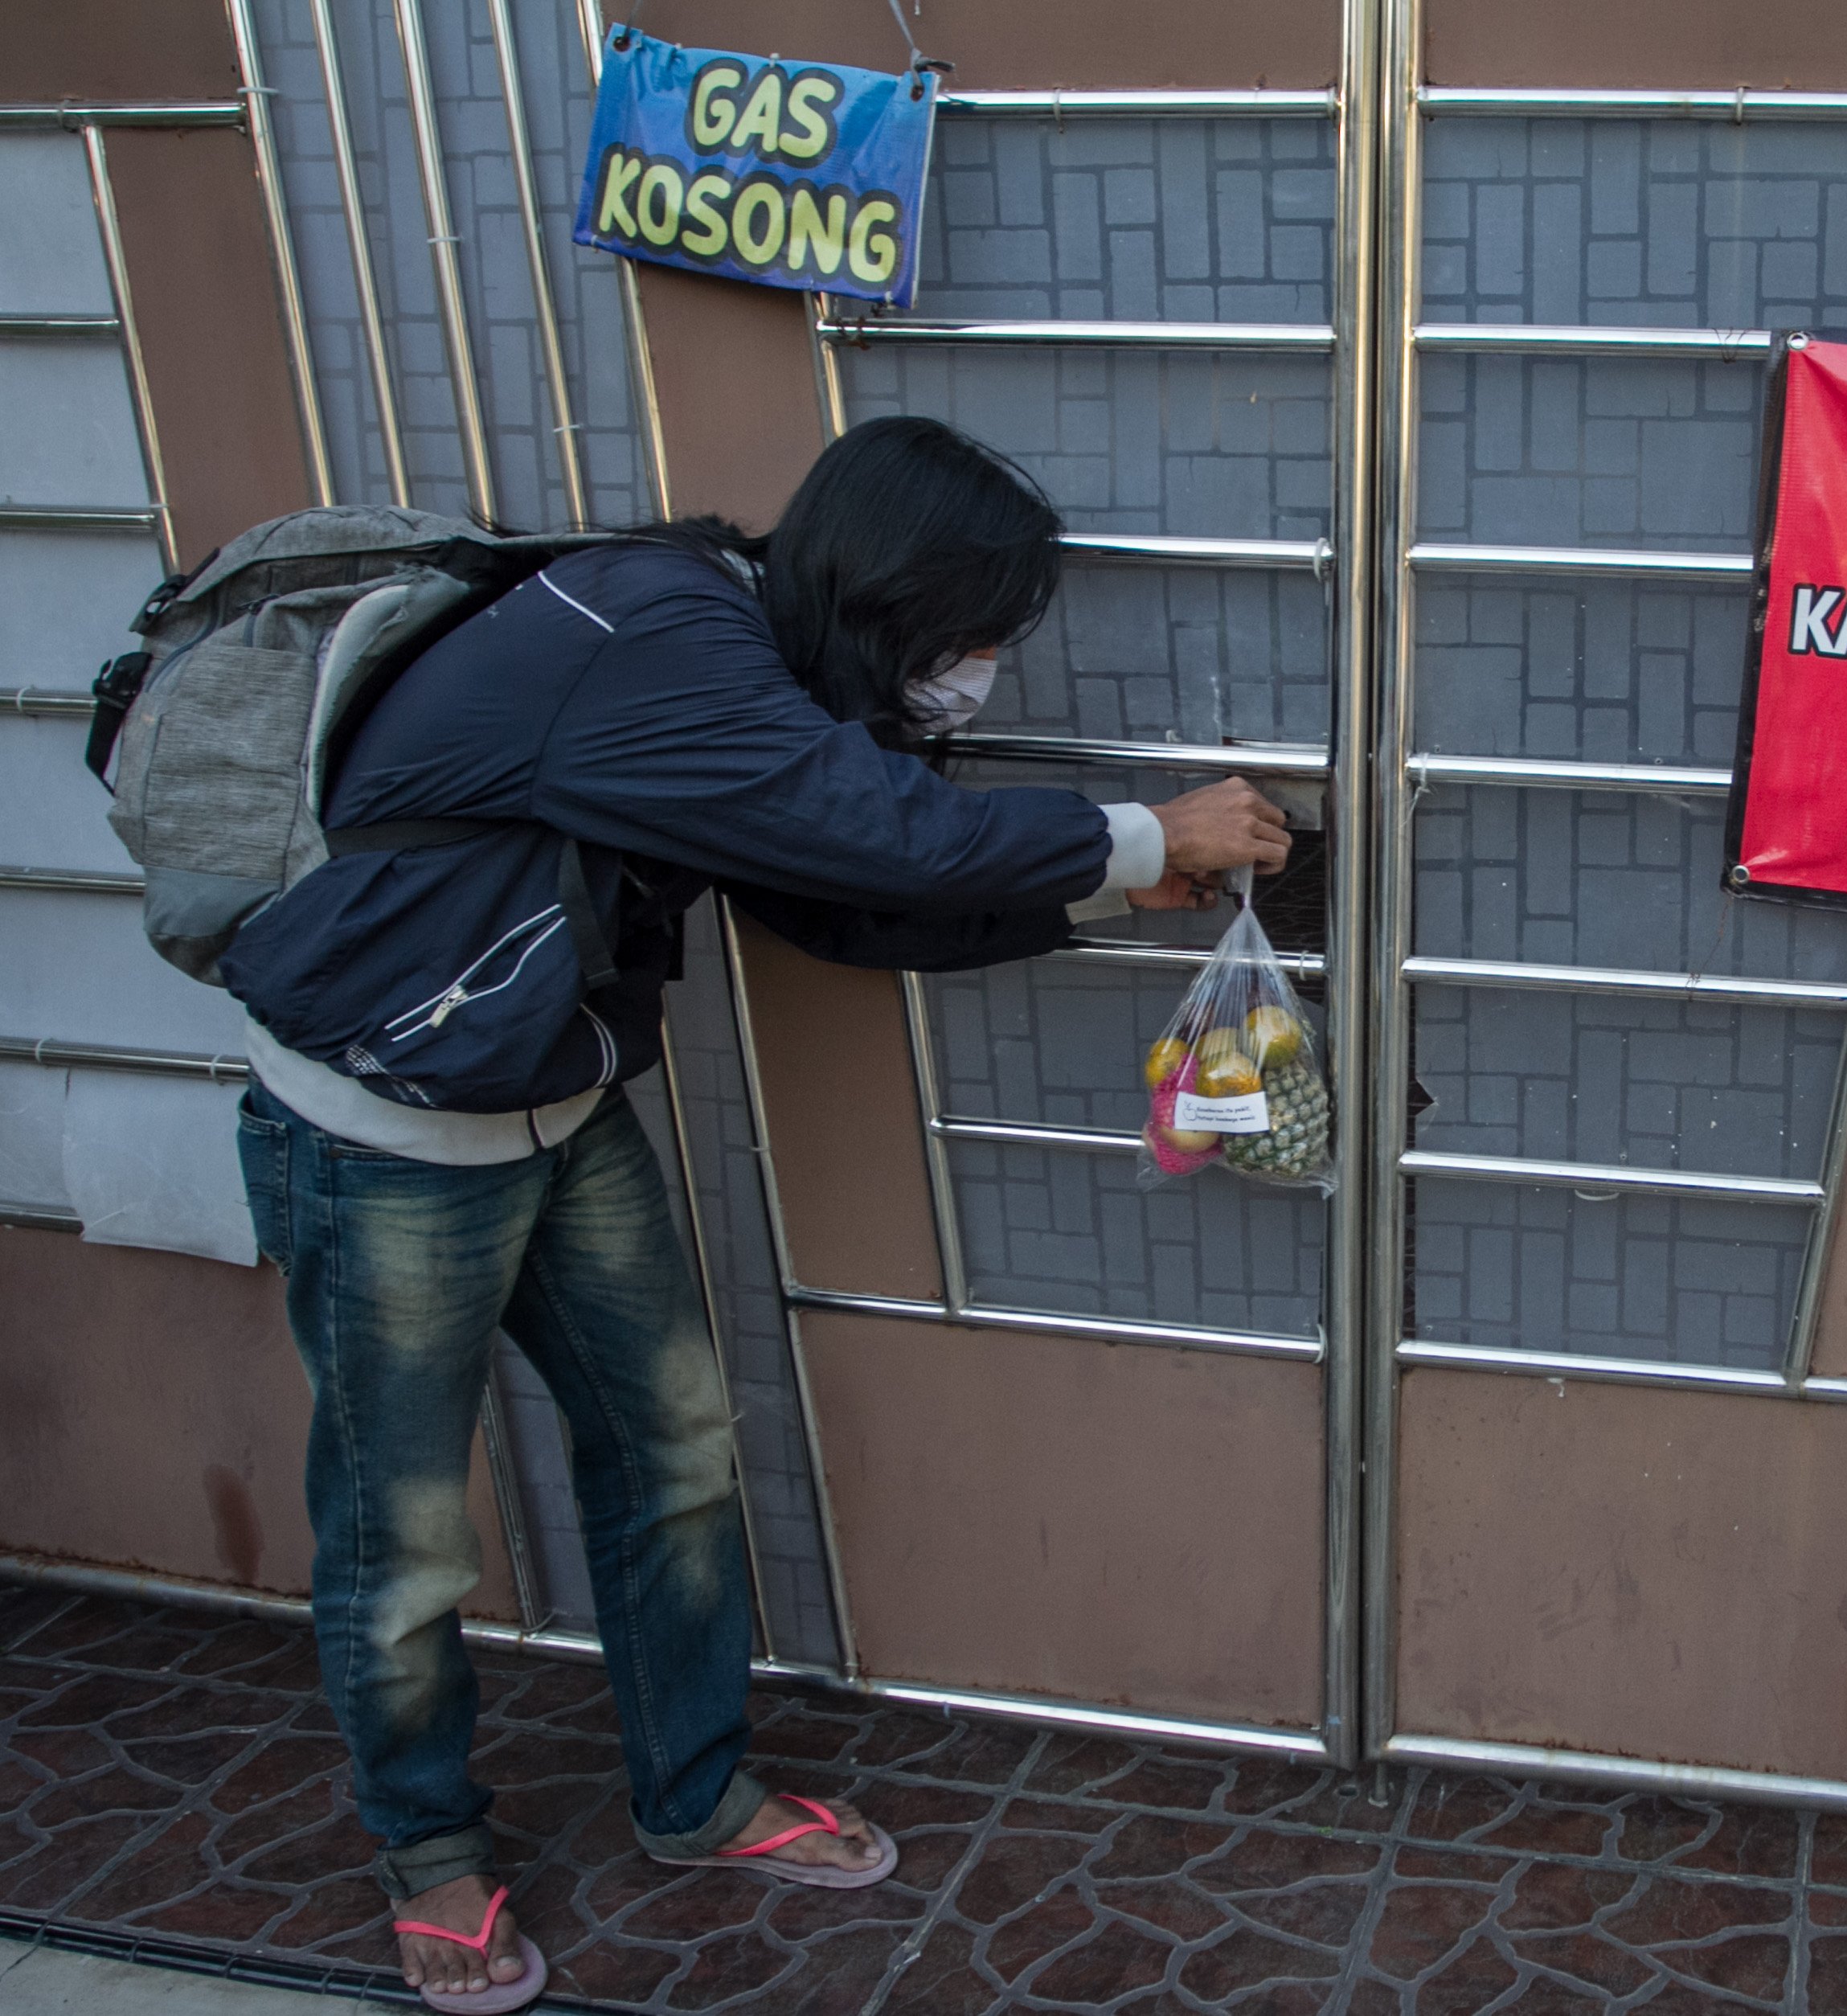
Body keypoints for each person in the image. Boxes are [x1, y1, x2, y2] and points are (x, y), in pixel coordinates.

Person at [223, 416, 1288, 2012]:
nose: (980, 670)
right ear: (899, 594)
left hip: (559, 1109)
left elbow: (842, 905)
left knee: (675, 1455)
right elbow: (878, 834)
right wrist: (1150, 828)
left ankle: (694, 1795)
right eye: (979, 633)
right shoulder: (664, 632)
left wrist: (1097, 894)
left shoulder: (756, 683)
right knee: (406, 1536)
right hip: (380, 1135)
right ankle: (428, 1851)